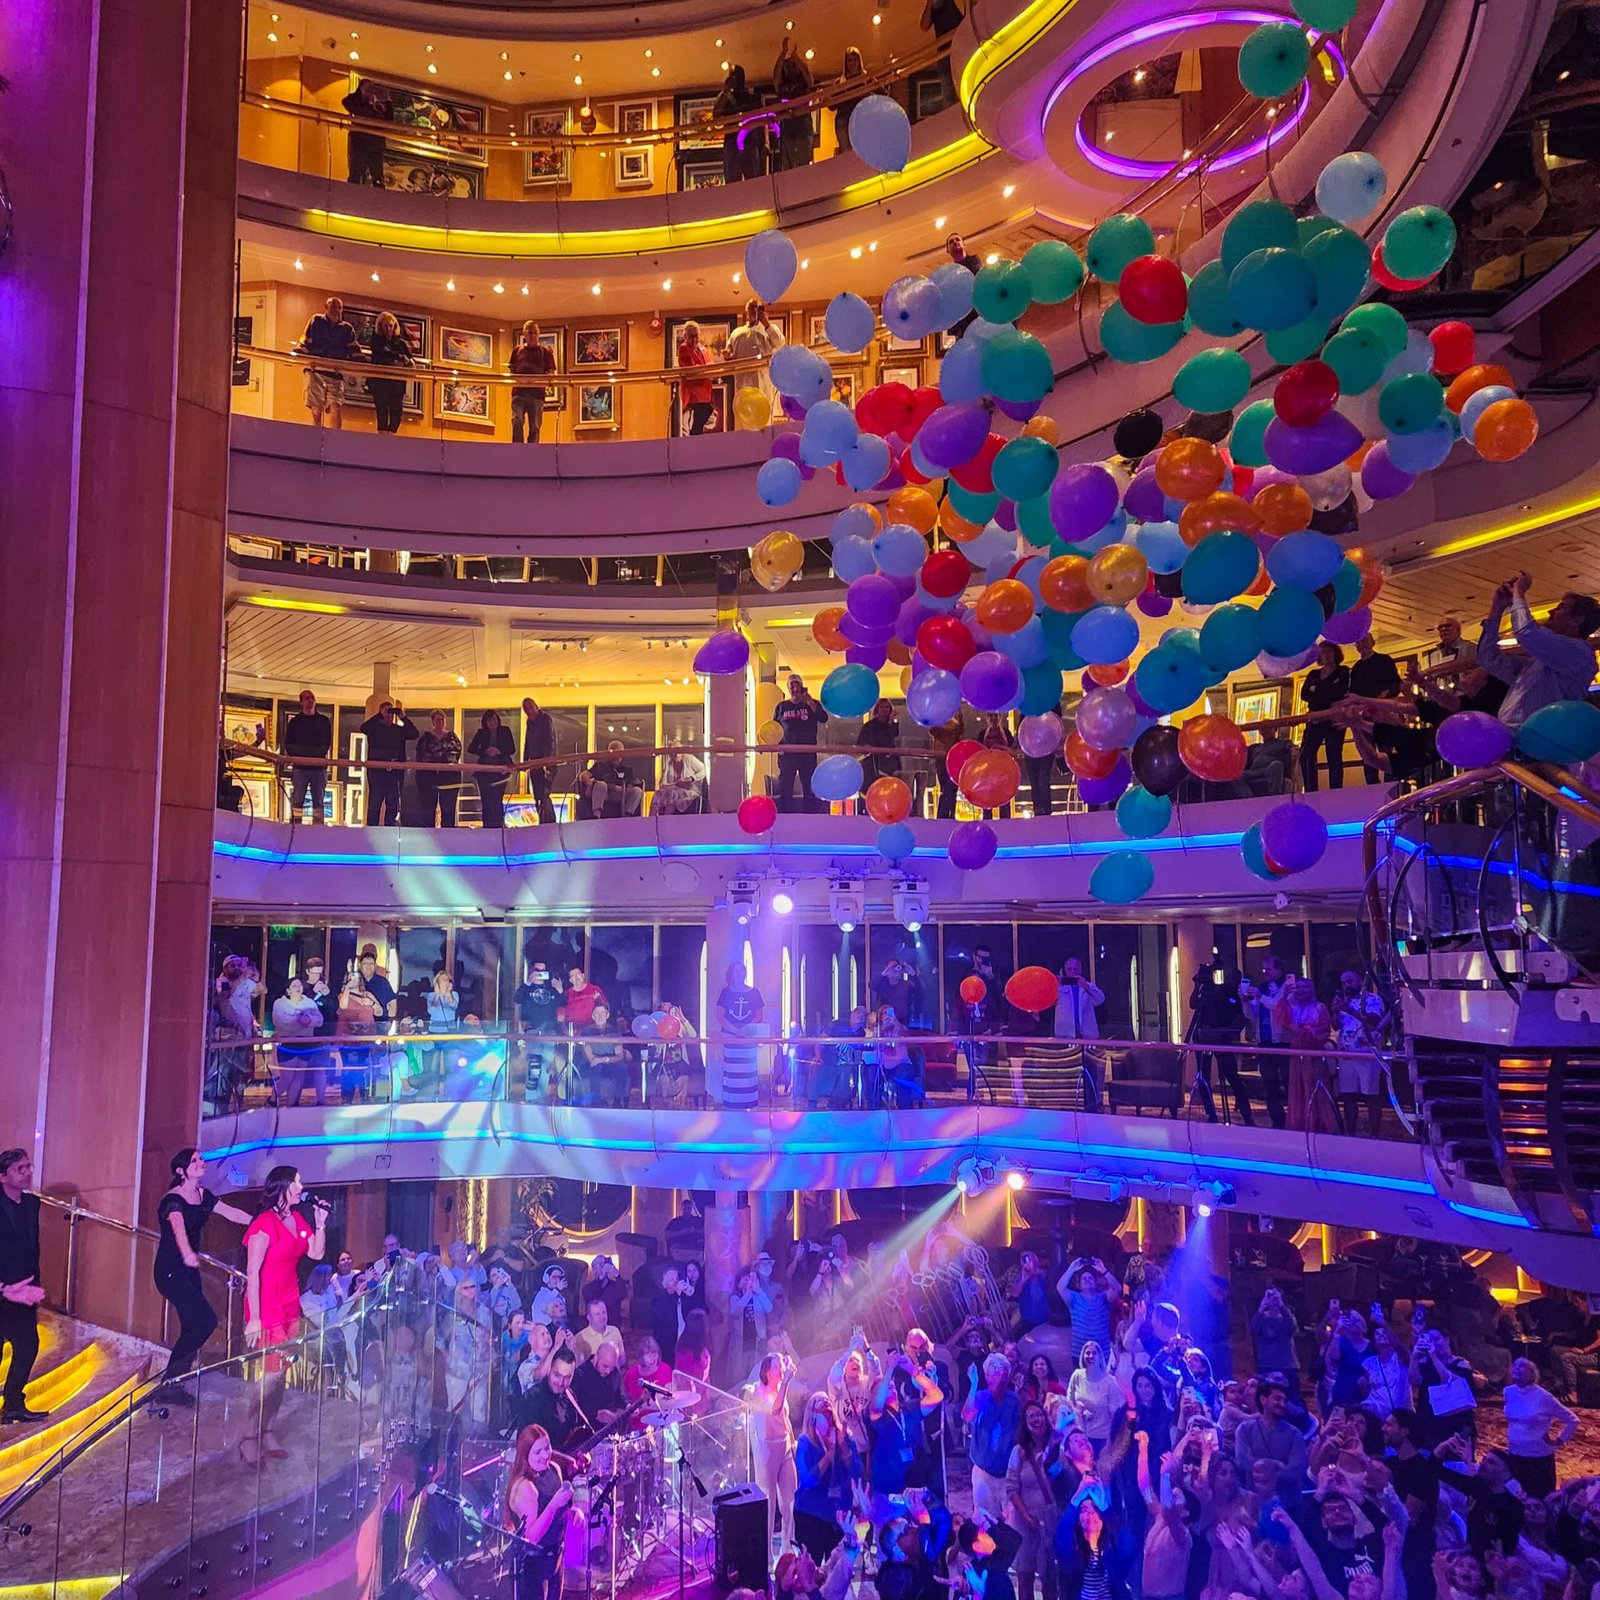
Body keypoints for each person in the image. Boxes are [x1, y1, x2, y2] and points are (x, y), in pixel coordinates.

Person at [241, 1166, 329, 1462]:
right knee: (271, 1374)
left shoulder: (297, 1219)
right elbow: (252, 1272)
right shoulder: (264, 1223)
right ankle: (249, 1435)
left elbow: (316, 1253)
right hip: (268, 1304)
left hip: (290, 1303)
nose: (302, 1186)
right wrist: (254, 1317)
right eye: (298, 1181)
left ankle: (267, 1430)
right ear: (284, 1185)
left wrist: (320, 1223)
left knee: (282, 1372)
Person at [1477, 573, 1600, 728]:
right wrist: (1497, 609)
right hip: (1515, 736)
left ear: (1577, 619)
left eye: (1560, 608)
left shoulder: (1580, 653)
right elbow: (1488, 658)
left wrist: (1519, 593)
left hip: (1540, 737)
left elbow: (1526, 632)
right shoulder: (1538, 663)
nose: (1550, 612)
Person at [0, 1148, 48, 1425]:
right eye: (20, 1168)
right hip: (3, 1290)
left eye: (29, 1167)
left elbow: (31, 1247)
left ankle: (13, 1404)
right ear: (3, 1176)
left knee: (28, 1346)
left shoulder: (32, 1203)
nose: (28, 1172)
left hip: (25, 1290)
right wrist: (4, 1288)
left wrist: (34, 1284)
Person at [503, 1424, 573, 1600]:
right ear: (525, 1454)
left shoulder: (553, 1469)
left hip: (555, 1557)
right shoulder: (525, 1487)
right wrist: (553, 1506)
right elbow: (532, 1537)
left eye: (547, 1448)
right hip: (533, 1567)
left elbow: (560, 1512)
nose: (545, 1455)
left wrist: (572, 1514)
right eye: (537, 1452)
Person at [793, 1392, 862, 1559]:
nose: (826, 1405)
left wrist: (843, 1447)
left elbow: (858, 1473)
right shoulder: (805, 1442)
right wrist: (828, 1454)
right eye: (820, 1407)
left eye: (828, 1405)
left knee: (837, 1568)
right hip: (811, 1515)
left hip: (838, 1517)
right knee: (811, 1567)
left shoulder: (845, 1437)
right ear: (812, 1416)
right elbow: (808, 1481)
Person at [1502, 1356, 1576, 1497]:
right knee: (1516, 1495)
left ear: (1533, 1373)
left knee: (1539, 1497)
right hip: (1515, 1452)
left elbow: (1572, 1420)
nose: (1517, 1368)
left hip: (1537, 1457)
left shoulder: (1544, 1396)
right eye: (1515, 1365)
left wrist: (1559, 1440)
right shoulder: (1508, 1392)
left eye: (1522, 1366)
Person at [748, 1350, 798, 1549]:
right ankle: (766, 1552)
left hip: (784, 1447)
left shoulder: (779, 1390)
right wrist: (785, 1383)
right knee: (768, 1502)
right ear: (767, 1372)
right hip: (767, 1451)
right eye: (776, 1366)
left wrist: (792, 1443)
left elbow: (784, 1418)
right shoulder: (758, 1392)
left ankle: (788, 1547)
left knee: (790, 1499)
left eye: (781, 1365)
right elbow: (775, 1410)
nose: (781, 1369)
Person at [1191, 963, 1252, 1125]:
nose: (1232, 982)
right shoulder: (1213, 991)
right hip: (1203, 1036)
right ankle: (1211, 1114)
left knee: (1232, 1076)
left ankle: (1247, 1116)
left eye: (1235, 979)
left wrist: (1230, 1032)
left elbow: (1241, 1017)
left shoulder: (1232, 995)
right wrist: (1197, 987)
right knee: (1204, 1076)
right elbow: (1193, 1004)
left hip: (1222, 1037)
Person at [963, 1351, 1020, 1515]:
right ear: (986, 1375)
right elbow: (967, 1415)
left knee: (1010, 1520)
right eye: (994, 1368)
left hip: (1008, 1474)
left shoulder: (1014, 1400)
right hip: (983, 1473)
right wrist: (973, 1384)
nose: (999, 1372)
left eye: (1003, 1369)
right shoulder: (980, 1396)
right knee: (985, 1519)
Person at [294, 296, 363, 429]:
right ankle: (316, 435)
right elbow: (305, 340)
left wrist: (360, 359)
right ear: (326, 307)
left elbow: (353, 348)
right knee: (316, 410)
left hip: (335, 373)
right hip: (315, 370)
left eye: (339, 308)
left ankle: (335, 437)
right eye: (333, 307)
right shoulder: (316, 320)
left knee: (335, 406)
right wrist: (300, 350)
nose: (336, 310)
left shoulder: (347, 328)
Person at [1333, 968, 1387, 1135]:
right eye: (1343, 983)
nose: (1346, 985)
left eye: (1349, 981)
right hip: (1346, 1055)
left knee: (1371, 1097)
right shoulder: (1343, 1001)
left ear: (1360, 981)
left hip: (1367, 1054)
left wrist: (1349, 1009)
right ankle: (1351, 1134)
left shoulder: (1372, 999)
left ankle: (1374, 1134)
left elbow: (1373, 1021)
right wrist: (1335, 1010)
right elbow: (1335, 1025)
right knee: (1348, 1096)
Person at [1275, 976, 1332, 1132]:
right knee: (1297, 1089)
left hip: (1314, 1053)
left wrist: (1308, 1030)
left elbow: (1325, 1029)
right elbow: (1281, 1018)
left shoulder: (1319, 1008)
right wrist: (1284, 995)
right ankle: (1298, 1124)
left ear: (1311, 990)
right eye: (1298, 987)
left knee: (1314, 1089)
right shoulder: (1292, 1007)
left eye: (1305, 987)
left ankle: (1318, 1124)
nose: (1301, 990)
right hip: (1296, 1053)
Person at [1239, 956, 1289, 1129]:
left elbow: (1277, 1007)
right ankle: (1277, 1120)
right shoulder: (1262, 988)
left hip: (1283, 1042)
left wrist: (1261, 997)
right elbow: (1253, 1016)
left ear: (1279, 969)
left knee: (1288, 1082)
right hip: (1265, 1042)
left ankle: (1294, 1119)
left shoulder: (1287, 987)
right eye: (1264, 969)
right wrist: (1245, 1001)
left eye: (1268, 969)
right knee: (1269, 1083)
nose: (1265, 972)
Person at [1348, 634, 1403, 781]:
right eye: (1358, 642)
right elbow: (1353, 692)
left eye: (1365, 640)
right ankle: (1372, 786)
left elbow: (1396, 684)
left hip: (1383, 712)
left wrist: (1381, 700)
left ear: (1373, 642)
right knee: (1368, 753)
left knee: (1388, 750)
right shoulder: (1356, 668)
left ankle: (1391, 785)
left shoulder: (1384, 661)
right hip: (1365, 714)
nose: (1362, 644)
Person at [1301, 641, 1353, 791]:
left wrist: (1317, 691)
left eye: (1330, 652)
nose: (1327, 655)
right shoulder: (1313, 674)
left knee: (1334, 754)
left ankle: (1335, 791)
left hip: (1333, 718)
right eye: (1323, 653)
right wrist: (1323, 693)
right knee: (1306, 754)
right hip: (1315, 720)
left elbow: (1338, 692)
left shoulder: (1342, 671)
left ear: (1336, 654)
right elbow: (1304, 694)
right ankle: (1311, 790)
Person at [774, 674, 830, 813]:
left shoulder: (811, 703)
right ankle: (786, 814)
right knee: (786, 785)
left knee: (809, 784)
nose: (795, 689)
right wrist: (777, 746)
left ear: (802, 686)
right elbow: (774, 729)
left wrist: (810, 702)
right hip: (787, 754)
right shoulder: (782, 707)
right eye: (792, 686)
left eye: (797, 685)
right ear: (788, 688)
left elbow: (823, 718)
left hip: (807, 753)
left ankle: (810, 814)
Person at [272, 975, 331, 1105]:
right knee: (287, 1078)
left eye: (299, 985)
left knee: (299, 1076)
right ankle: (272, 1100)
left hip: (305, 1043)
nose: (298, 988)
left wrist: (308, 1020)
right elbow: (280, 1022)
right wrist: (299, 1021)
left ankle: (291, 1105)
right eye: (294, 986)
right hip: (287, 1043)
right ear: (288, 990)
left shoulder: (309, 1003)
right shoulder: (279, 1003)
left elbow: (319, 1020)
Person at [359, 700, 418, 827]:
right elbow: (363, 728)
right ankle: (371, 828)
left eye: (392, 711)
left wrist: (403, 717)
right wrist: (379, 715)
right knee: (375, 802)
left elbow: (414, 734)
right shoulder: (374, 729)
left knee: (392, 802)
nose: (390, 714)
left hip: (395, 772)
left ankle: (390, 828)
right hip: (376, 772)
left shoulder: (398, 730)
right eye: (387, 711)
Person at [715, 962, 764, 1109]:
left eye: (742, 970)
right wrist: (735, 1031)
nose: (739, 974)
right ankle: (732, 1103)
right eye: (736, 971)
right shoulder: (725, 992)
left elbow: (759, 1015)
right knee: (732, 1071)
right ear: (731, 974)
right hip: (730, 1038)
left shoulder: (754, 992)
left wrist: (746, 1029)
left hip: (748, 1039)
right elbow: (720, 1015)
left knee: (748, 1071)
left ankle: (749, 1102)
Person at [281, 689, 333, 824]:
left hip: (318, 766)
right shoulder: (295, 722)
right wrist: (301, 755)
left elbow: (327, 743)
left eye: (312, 698)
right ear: (301, 702)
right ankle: (296, 825)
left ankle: (318, 825)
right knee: (298, 799)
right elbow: (289, 743)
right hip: (300, 766)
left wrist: (312, 753)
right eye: (307, 698)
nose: (310, 701)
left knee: (319, 800)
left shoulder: (323, 721)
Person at [411, 710, 463, 827]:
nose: (440, 722)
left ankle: (447, 833)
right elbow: (420, 755)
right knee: (428, 808)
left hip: (449, 776)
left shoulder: (452, 737)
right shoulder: (425, 738)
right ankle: (429, 832)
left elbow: (457, 753)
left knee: (448, 808)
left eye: (442, 719)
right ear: (433, 722)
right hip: (428, 776)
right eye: (438, 719)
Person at [364, 310, 413, 435]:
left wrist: (404, 360)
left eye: (391, 326)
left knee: (397, 413)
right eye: (385, 326)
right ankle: (382, 437)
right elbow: (381, 353)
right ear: (380, 326)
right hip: (380, 383)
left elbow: (409, 359)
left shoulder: (400, 343)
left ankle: (391, 436)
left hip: (397, 384)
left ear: (395, 326)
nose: (388, 329)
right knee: (382, 412)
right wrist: (399, 357)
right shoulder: (376, 340)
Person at [713, 65, 763, 184]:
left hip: (750, 141)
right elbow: (716, 114)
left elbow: (762, 118)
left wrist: (765, 142)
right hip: (731, 142)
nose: (735, 79)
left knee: (753, 179)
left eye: (738, 75)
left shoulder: (752, 97)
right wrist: (725, 91)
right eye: (732, 76)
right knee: (732, 180)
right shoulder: (726, 98)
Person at [772, 36, 816, 171]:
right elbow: (776, 75)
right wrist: (783, 53)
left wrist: (796, 57)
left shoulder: (804, 84)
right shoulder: (782, 86)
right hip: (787, 130)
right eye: (787, 66)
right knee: (788, 166)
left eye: (793, 66)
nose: (790, 69)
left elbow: (809, 77)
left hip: (803, 129)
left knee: (803, 164)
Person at [574, 1002, 630, 1106]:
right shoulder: (586, 1032)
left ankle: (618, 1101)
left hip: (609, 1062)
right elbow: (590, 1057)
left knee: (622, 1067)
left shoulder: (614, 1031)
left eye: (603, 1013)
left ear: (607, 1015)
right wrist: (598, 1060)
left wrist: (605, 1059)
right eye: (597, 1013)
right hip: (590, 1064)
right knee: (595, 1068)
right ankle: (596, 1101)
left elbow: (619, 1055)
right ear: (593, 1016)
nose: (600, 1016)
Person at [509, 323, 556, 446]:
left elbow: (551, 372)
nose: (533, 336)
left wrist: (540, 382)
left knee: (535, 426)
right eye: (530, 333)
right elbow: (511, 371)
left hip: (537, 395)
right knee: (517, 420)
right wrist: (519, 381)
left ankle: (533, 451)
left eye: (535, 333)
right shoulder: (517, 350)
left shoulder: (545, 352)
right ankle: (518, 448)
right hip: (519, 393)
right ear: (524, 334)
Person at [467, 710, 515, 828]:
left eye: (494, 719)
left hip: (500, 770)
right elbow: (471, 748)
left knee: (497, 798)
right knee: (486, 798)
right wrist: (485, 751)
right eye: (489, 721)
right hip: (485, 771)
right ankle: (487, 824)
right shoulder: (481, 733)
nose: (492, 723)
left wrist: (499, 751)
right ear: (485, 723)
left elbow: (512, 749)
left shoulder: (505, 731)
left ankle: (498, 824)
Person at [571, 1338, 627, 1431]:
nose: (608, 1371)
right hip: (588, 1431)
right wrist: (596, 1414)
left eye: (612, 1368)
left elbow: (618, 1394)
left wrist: (627, 1406)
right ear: (596, 1357)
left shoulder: (614, 1372)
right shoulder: (580, 1376)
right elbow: (576, 1407)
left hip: (611, 1429)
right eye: (605, 1366)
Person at [342, 77, 389, 186]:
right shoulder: (357, 103)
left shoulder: (378, 105)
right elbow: (346, 102)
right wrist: (361, 95)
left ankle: (378, 190)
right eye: (367, 88)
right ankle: (352, 189)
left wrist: (385, 101)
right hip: (360, 141)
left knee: (377, 174)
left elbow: (389, 119)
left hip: (375, 142)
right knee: (356, 171)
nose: (370, 91)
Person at [519, 697, 558, 824]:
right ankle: (543, 820)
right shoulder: (529, 723)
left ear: (536, 706)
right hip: (534, 764)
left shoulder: (545, 719)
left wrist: (546, 762)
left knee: (544, 793)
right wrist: (525, 761)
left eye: (530, 707)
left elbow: (550, 741)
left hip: (546, 763)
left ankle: (548, 821)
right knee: (537, 795)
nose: (528, 711)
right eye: (526, 709)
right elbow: (528, 743)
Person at [579, 741, 643, 818]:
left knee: (637, 791)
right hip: (605, 794)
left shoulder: (628, 769)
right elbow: (584, 775)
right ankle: (597, 815)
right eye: (613, 753)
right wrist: (590, 785)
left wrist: (622, 789)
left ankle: (627, 815)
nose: (616, 757)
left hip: (621, 793)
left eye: (619, 754)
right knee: (601, 785)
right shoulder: (600, 765)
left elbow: (630, 785)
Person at [676, 320, 715, 436]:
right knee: (703, 413)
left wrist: (706, 369)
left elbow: (711, 365)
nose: (694, 339)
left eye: (696, 336)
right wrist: (706, 369)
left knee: (704, 415)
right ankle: (694, 440)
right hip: (694, 392)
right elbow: (691, 369)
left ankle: (695, 440)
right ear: (685, 336)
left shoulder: (703, 349)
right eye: (691, 336)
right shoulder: (683, 348)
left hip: (705, 391)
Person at [1054, 955, 1103, 1040]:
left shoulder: (1088, 986)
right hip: (1065, 1036)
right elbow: (1047, 1001)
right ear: (1065, 971)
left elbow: (1100, 999)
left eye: (1075, 969)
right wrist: (1053, 983)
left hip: (1088, 1036)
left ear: (1080, 969)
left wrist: (1086, 986)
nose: (1073, 972)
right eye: (1069, 969)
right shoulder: (1059, 989)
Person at [858, 698, 901, 792]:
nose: (884, 709)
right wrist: (867, 746)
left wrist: (891, 720)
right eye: (882, 707)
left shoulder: (892, 724)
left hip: (889, 761)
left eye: (887, 707)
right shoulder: (870, 725)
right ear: (877, 709)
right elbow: (861, 742)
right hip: (872, 762)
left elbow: (892, 734)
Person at [653, 739, 706, 815]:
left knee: (672, 793)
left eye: (678, 751)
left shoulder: (689, 759)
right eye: (673, 752)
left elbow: (704, 770)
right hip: (673, 793)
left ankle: (666, 818)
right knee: (658, 794)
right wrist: (676, 784)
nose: (676, 754)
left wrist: (691, 778)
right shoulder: (668, 764)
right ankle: (651, 819)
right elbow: (662, 784)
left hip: (690, 791)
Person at [930, 712, 965, 818]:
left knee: (952, 789)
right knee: (946, 789)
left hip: (953, 761)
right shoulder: (938, 728)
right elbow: (932, 730)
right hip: (942, 761)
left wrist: (960, 716)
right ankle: (944, 815)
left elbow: (961, 730)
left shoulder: (956, 727)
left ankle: (949, 814)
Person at [834, 47, 868, 152]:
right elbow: (832, 106)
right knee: (846, 153)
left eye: (855, 60)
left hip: (861, 120)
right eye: (849, 60)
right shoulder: (840, 82)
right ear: (845, 63)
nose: (852, 63)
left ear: (859, 61)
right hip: (844, 121)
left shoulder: (867, 79)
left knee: (861, 151)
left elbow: (880, 94)